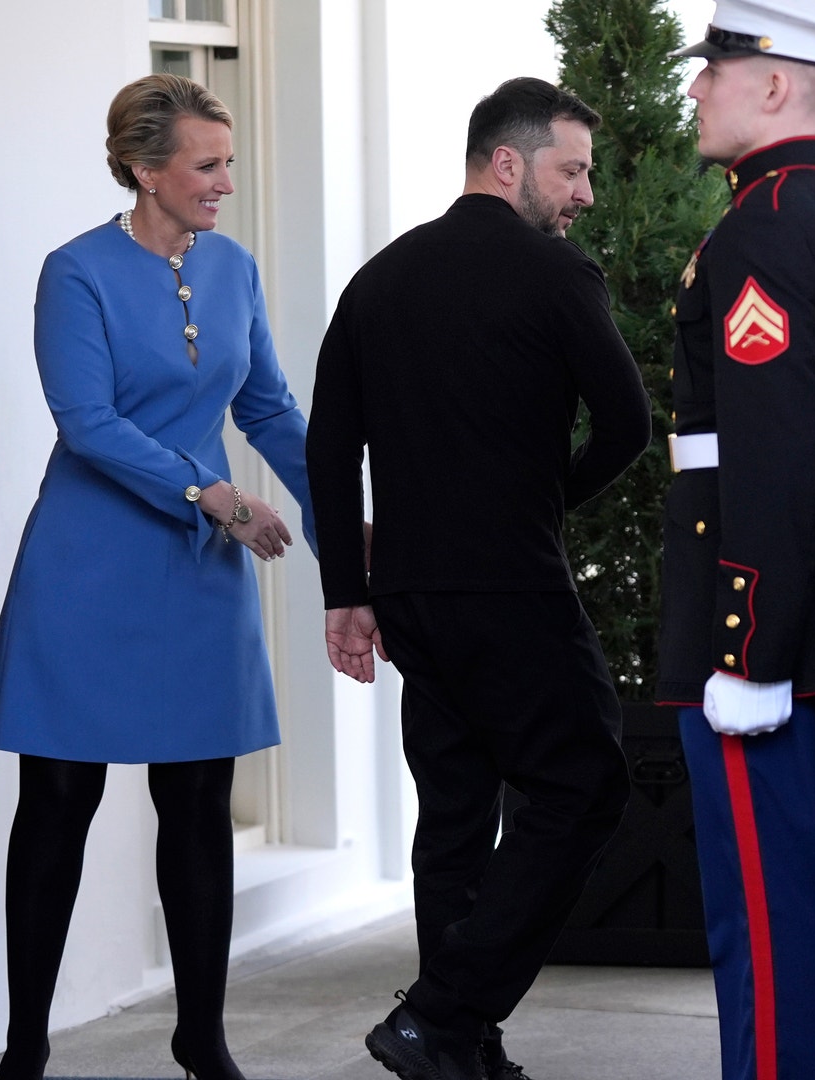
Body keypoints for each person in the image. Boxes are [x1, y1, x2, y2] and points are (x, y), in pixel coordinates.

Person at [305, 77, 649, 1080]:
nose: (584, 192)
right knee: (585, 785)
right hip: (514, 587)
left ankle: (459, 1044)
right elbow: (626, 427)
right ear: (510, 161)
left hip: (410, 595)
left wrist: (345, 591)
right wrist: (542, 507)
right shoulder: (556, 276)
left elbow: (331, 448)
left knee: (455, 813)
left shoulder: (378, 279)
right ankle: (441, 1015)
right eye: (572, 168)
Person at [0, 74, 317, 1080]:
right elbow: (87, 425)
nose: (224, 183)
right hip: (87, 570)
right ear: (143, 167)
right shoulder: (75, 272)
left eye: (227, 163)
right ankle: (28, 1045)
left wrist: (348, 514)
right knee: (59, 802)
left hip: (196, 582)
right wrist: (211, 494)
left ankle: (201, 1038)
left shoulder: (233, 269)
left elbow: (267, 407)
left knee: (201, 804)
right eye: (207, 165)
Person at [656, 2, 815, 1076]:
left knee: (765, 925)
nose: (696, 88)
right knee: (800, 912)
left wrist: (746, 647)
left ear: (773, 82)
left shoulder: (765, 225)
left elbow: (770, 452)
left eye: (715, 68)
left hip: (765, 640)